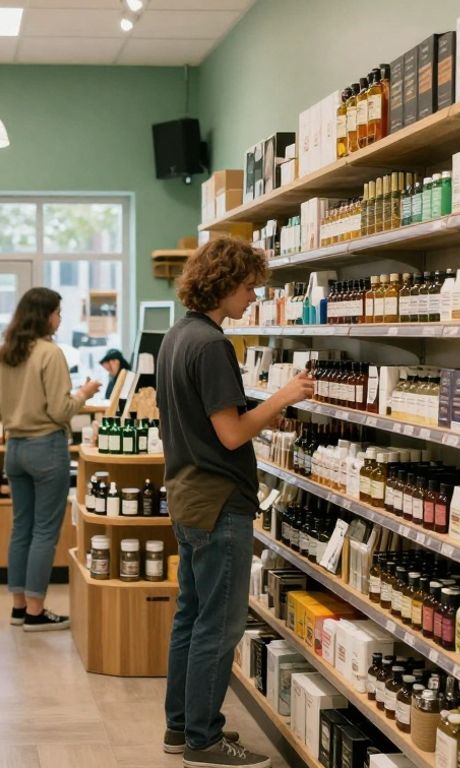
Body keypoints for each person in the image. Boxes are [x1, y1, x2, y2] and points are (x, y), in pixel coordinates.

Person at [155, 239, 313, 768]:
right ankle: (204, 739)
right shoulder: (214, 344)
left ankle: (179, 729)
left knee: (191, 616)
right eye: (248, 287)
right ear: (224, 284)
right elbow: (229, 433)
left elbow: (205, 411)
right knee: (218, 627)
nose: (252, 297)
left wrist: (260, 407)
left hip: (187, 495)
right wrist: (282, 398)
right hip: (220, 501)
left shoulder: (177, 336)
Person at [0, 288, 100, 631]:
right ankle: (37, 612)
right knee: (44, 530)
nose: (60, 319)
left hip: (15, 449)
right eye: (58, 312)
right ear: (45, 316)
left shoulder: (6, 352)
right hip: (45, 447)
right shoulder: (50, 353)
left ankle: (19, 607)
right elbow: (59, 409)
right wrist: (84, 393)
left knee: (21, 527)